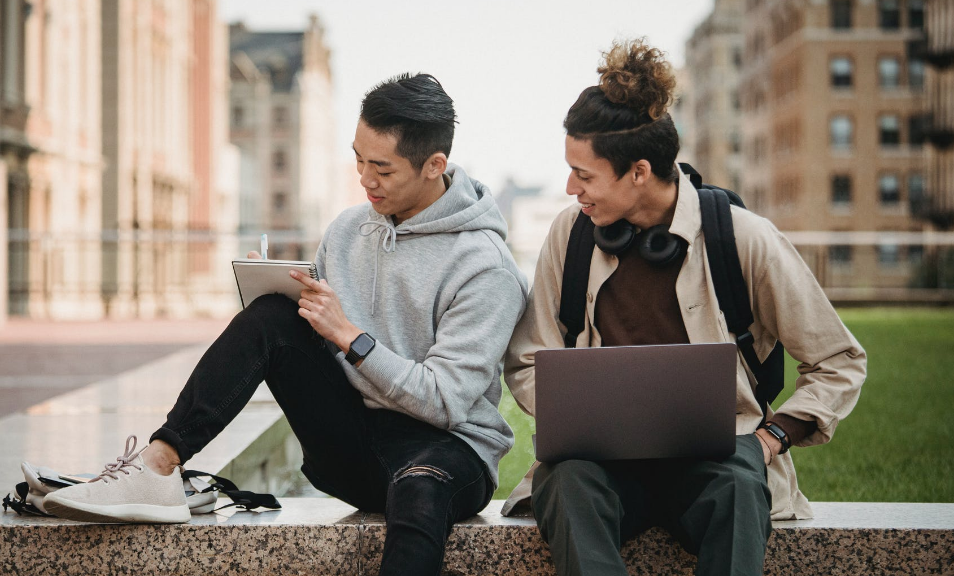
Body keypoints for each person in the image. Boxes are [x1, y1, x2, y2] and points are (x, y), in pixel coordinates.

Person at [45, 73, 528, 576]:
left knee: (419, 489)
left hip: (448, 458)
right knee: (273, 316)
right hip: (354, 445)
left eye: (381, 168)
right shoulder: (347, 230)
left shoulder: (486, 267)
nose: (365, 179)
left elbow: (447, 403)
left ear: (434, 166)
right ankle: (158, 466)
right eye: (358, 159)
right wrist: (281, 290)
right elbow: (311, 344)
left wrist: (351, 337)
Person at [501, 39, 866, 576]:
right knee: (565, 480)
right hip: (602, 464)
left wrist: (772, 438)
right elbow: (529, 356)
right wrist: (576, 417)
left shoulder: (744, 238)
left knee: (742, 489)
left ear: (640, 172)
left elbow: (839, 361)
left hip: (720, 460)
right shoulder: (570, 235)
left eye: (584, 174)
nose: (569, 186)